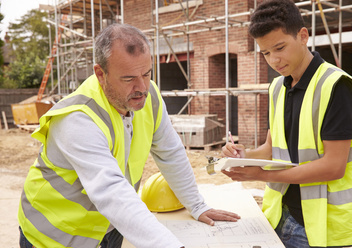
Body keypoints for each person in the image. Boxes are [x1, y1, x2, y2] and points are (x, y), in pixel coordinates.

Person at [18, 23, 240, 248]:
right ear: (100, 74)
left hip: (108, 229)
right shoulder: (77, 118)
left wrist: (197, 205)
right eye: (128, 78)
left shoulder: (149, 96)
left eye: (146, 73)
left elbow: (170, 152)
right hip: (55, 237)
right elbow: (112, 191)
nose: (142, 86)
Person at [221, 0, 352, 247]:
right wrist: (245, 155)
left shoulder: (336, 85)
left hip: (319, 227)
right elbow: (272, 147)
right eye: (265, 53)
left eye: (279, 48)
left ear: (303, 36)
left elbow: (334, 167)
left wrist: (260, 174)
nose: (274, 60)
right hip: (278, 214)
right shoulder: (278, 87)